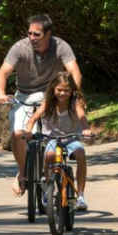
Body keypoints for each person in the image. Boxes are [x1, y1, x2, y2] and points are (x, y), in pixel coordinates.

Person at [0, 14, 83, 195]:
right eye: (30, 34)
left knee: (51, 136)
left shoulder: (61, 46)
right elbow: (3, 72)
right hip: (24, 96)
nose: (32, 38)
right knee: (18, 134)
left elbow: (74, 71)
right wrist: (0, 93)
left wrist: (75, 93)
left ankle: (51, 171)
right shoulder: (20, 48)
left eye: (37, 34)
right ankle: (22, 173)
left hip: (50, 94)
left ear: (48, 34)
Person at [25, 72, 92, 211]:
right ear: (53, 89)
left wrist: (86, 129)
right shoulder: (48, 103)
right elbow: (33, 119)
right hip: (51, 138)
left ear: (72, 90)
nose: (62, 93)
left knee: (80, 153)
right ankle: (48, 188)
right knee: (49, 156)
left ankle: (80, 196)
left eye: (66, 90)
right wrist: (28, 132)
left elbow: (82, 117)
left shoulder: (75, 102)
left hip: (71, 138)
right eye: (59, 90)